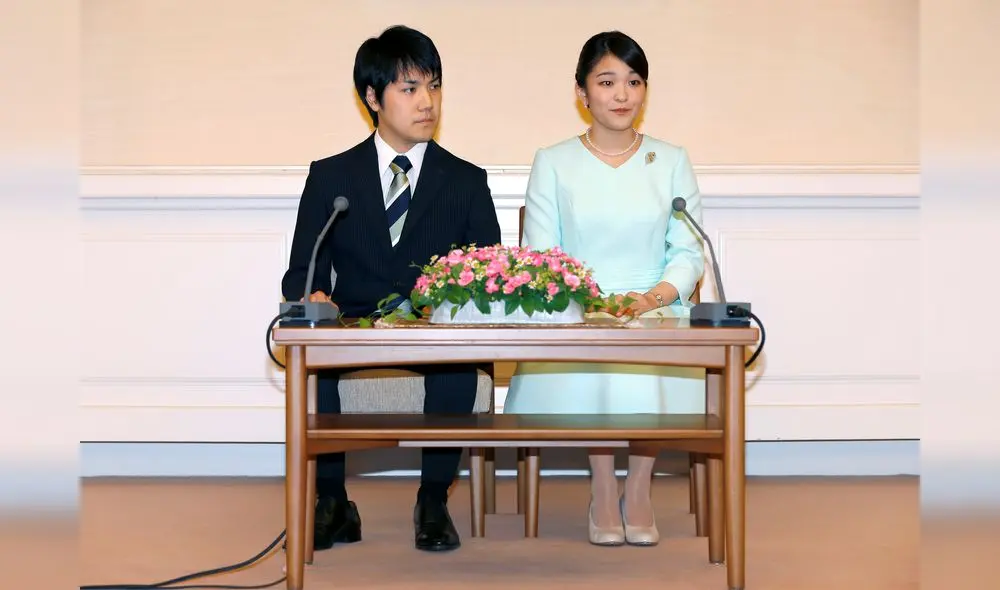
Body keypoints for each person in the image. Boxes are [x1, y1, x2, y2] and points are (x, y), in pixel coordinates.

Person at [280, 25, 501, 553]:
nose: (428, 102)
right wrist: (314, 297)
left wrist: (447, 309)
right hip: (354, 328)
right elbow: (301, 272)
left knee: (454, 364)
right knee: (318, 361)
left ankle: (432, 500)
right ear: (373, 98)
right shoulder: (331, 176)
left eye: (434, 85)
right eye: (410, 89)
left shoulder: (465, 180)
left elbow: (491, 274)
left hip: (434, 329)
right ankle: (331, 501)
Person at [503, 31, 707, 547]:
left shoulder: (673, 159)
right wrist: (591, 301)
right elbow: (542, 256)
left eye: (633, 82)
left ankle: (638, 487)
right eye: (608, 81)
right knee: (598, 344)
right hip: (578, 308)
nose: (622, 95)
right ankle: (600, 484)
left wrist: (654, 296)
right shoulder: (553, 161)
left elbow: (687, 251)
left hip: (655, 303)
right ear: (582, 92)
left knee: (647, 348)